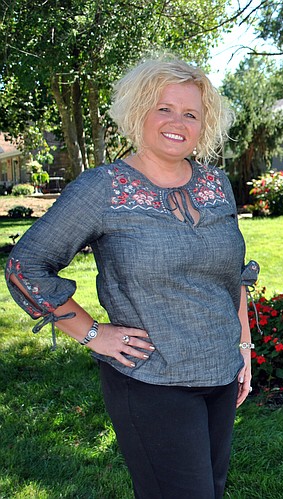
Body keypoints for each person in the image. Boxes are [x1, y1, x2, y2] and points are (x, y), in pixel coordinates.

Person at [5, 55, 259, 498]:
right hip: (152, 381)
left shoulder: (217, 184)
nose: (176, 122)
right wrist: (92, 334)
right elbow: (26, 265)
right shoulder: (102, 188)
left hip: (221, 375)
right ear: (138, 111)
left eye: (190, 113)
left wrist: (244, 350)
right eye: (164, 108)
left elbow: (231, 277)